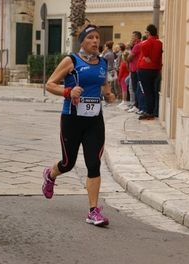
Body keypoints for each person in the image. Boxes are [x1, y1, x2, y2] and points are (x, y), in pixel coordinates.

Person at [44, 23, 115, 227]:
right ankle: (50, 175)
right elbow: (50, 84)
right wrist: (68, 92)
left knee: (94, 163)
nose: (95, 41)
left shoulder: (102, 63)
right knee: (68, 163)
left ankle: (93, 211)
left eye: (97, 38)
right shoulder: (71, 60)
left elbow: (103, 84)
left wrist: (108, 95)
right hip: (72, 119)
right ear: (82, 41)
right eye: (90, 38)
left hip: (94, 120)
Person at [137, 24, 163, 120]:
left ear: (148, 32)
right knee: (152, 90)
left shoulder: (146, 43)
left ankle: (149, 111)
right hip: (155, 69)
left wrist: (147, 58)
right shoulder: (159, 43)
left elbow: (145, 52)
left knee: (146, 91)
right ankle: (152, 110)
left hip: (145, 69)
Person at [126, 31, 142, 113]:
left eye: (132, 37)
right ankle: (134, 104)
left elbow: (129, 58)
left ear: (136, 37)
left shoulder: (137, 45)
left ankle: (136, 105)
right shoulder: (136, 46)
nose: (131, 39)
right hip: (134, 69)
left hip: (135, 69)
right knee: (133, 87)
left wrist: (129, 55)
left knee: (134, 88)